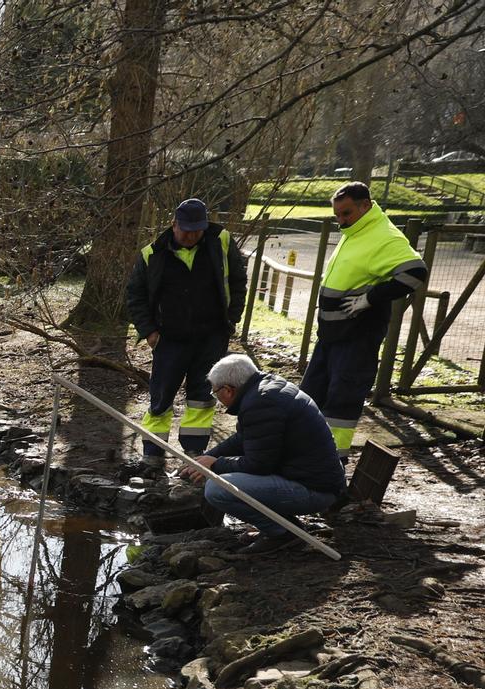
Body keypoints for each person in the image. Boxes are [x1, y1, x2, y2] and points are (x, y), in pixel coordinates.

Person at [301, 182, 429, 455]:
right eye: (337, 215)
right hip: (332, 334)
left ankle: (332, 465)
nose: (341, 220)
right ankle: (306, 459)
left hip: (357, 336)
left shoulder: (384, 236)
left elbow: (416, 272)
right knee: (310, 396)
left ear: (365, 206)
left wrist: (371, 298)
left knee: (341, 404)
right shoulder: (357, 230)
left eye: (346, 213)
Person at [125, 197, 247, 470]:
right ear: (173, 224)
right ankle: (153, 455)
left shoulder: (221, 241)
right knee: (161, 397)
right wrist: (149, 332)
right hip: (169, 339)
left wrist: (231, 319)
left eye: (197, 230)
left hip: (211, 336)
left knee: (202, 398)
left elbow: (238, 281)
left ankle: (193, 454)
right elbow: (135, 295)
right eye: (186, 230)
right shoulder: (153, 253)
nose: (191, 236)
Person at [190, 353, 346, 555]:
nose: (217, 399)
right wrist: (207, 457)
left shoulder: (260, 403)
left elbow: (259, 464)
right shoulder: (265, 390)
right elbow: (245, 439)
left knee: (217, 489)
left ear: (228, 390)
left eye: (215, 393)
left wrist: (216, 465)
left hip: (315, 490)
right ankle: (284, 525)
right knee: (219, 479)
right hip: (313, 479)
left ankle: (282, 533)